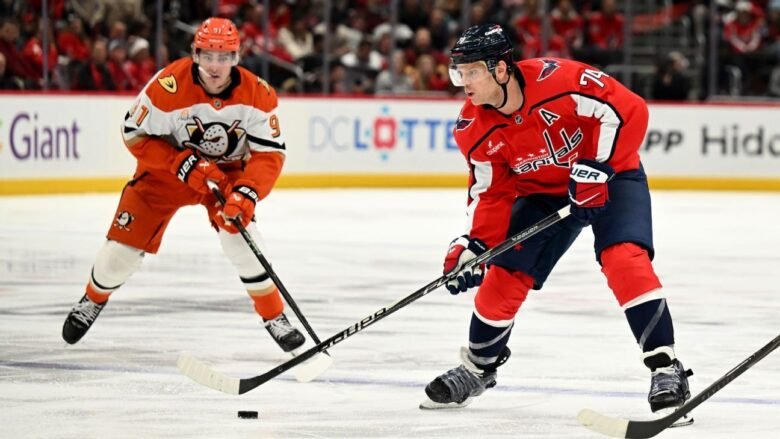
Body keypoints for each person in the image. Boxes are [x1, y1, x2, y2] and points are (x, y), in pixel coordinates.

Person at [420, 24, 692, 416]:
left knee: (623, 258)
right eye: (459, 73)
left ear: (501, 69)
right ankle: (478, 368)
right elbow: (491, 192)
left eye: (473, 71)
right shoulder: (472, 129)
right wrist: (474, 244)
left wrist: (598, 168)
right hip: (542, 196)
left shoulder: (562, 81)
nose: (464, 82)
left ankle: (665, 367)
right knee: (503, 275)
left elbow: (629, 110)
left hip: (610, 176)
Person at [61, 17, 306, 354]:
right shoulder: (168, 85)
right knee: (120, 254)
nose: (215, 66)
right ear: (195, 54)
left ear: (237, 57)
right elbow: (133, 134)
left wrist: (247, 192)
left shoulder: (258, 93)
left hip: (226, 175)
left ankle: (274, 316)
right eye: (208, 56)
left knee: (241, 241)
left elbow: (270, 154)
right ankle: (93, 299)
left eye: (224, 57)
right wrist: (177, 161)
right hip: (167, 174)